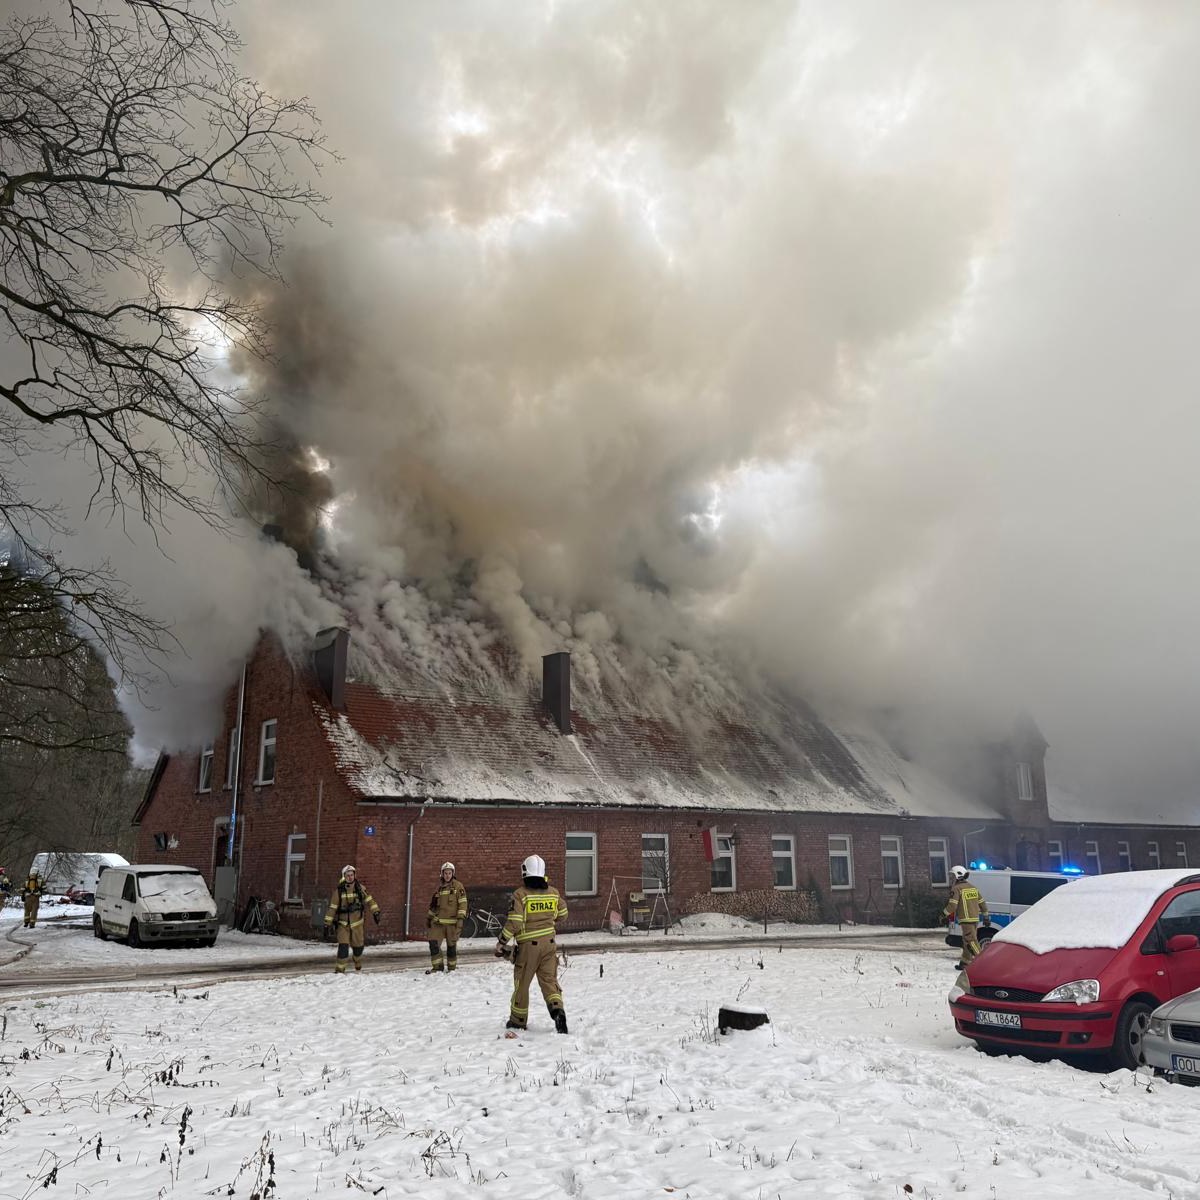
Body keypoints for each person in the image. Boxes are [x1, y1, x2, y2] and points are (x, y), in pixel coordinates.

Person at [496, 854, 569, 1034]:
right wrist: (548, 919)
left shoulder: (520, 894)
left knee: (522, 984)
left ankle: (518, 1021)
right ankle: (557, 1010)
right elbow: (563, 914)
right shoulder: (553, 892)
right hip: (550, 945)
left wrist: (502, 941)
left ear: (525, 872)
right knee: (549, 981)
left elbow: (515, 922)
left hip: (529, 948)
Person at [323, 865, 380, 974]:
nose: (350, 877)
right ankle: (339, 971)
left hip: (357, 924)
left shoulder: (360, 889)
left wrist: (376, 912)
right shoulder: (339, 891)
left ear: (354, 875)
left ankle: (358, 964)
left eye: (351, 875)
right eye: (347, 875)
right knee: (343, 948)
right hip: (343, 925)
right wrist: (327, 924)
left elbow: (370, 900)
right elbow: (332, 908)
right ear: (344, 877)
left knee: (358, 949)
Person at [944, 864, 991, 969]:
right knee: (967, 941)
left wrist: (943, 915)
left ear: (958, 875)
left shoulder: (957, 889)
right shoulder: (973, 888)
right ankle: (965, 963)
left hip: (966, 919)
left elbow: (952, 905)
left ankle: (984, 963)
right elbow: (982, 903)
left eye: (952, 876)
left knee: (971, 941)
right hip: (975, 919)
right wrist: (986, 917)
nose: (951, 879)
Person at [426, 861, 468, 974]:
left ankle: (451, 969)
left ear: (453, 874)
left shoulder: (458, 886)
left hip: (452, 923)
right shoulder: (439, 888)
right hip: (438, 923)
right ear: (442, 874)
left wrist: (460, 920)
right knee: (433, 943)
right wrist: (429, 918)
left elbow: (463, 904)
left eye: (449, 873)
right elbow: (434, 906)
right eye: (445, 873)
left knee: (451, 947)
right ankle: (437, 967)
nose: (447, 875)